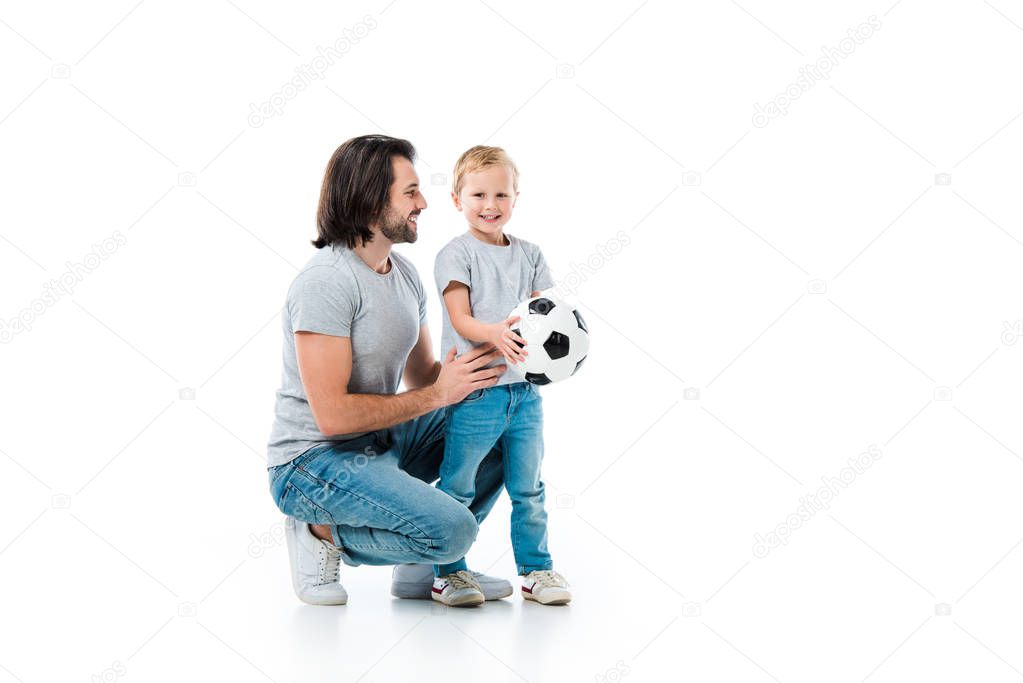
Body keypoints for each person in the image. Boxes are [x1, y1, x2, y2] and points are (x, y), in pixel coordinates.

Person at [266, 135, 512, 606]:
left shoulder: (403, 274)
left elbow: (425, 377)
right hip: (311, 462)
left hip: (378, 442)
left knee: (500, 420)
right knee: (453, 531)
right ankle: (319, 529)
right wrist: (439, 395)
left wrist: (494, 366)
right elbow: (333, 418)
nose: (423, 203)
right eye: (410, 192)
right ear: (370, 199)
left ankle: (426, 570)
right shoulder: (326, 283)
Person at [429, 145, 571, 606]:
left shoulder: (529, 254)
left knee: (529, 488)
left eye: (501, 194)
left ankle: (536, 571)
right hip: (477, 393)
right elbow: (461, 318)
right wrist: (494, 333)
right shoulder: (455, 254)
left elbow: (543, 313)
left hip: (525, 396)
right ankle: (447, 573)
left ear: (515, 198)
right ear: (457, 200)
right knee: (459, 485)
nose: (490, 205)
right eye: (478, 195)